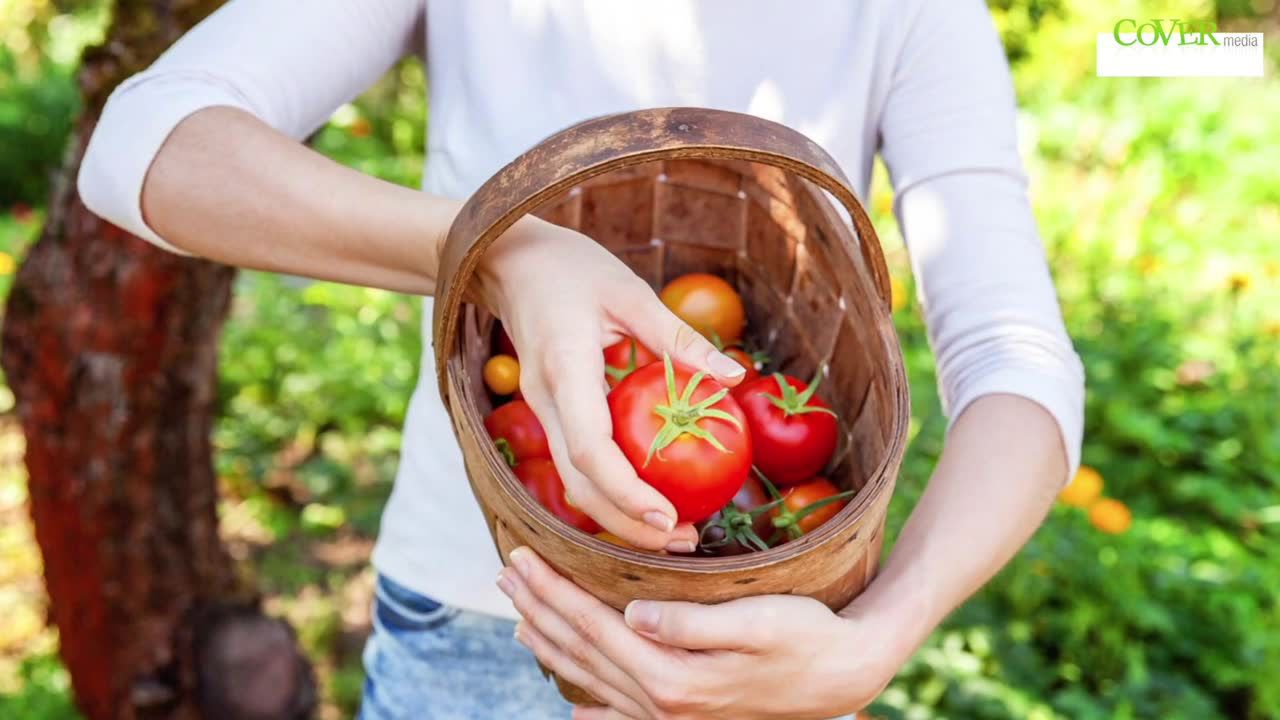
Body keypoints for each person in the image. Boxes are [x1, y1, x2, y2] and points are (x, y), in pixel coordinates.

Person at [77, 1, 1085, 718]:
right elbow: (145, 145)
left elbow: (1018, 363)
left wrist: (877, 640)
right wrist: (501, 247)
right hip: (470, 629)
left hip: (750, 662)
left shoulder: (908, 13)